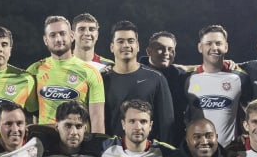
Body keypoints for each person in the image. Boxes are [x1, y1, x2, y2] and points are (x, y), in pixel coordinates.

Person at [99, 20, 173, 149]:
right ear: (112, 47)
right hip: (112, 155)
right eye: (120, 41)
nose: (126, 45)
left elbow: (166, 124)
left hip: (147, 156)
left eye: (130, 41)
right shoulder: (101, 80)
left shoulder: (156, 78)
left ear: (138, 46)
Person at [27, 15, 105, 133]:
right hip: (46, 143)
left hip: (78, 142)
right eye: (53, 35)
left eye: (62, 33)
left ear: (72, 36)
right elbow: (31, 110)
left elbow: (97, 122)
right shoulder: (35, 70)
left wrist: (95, 147)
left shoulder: (90, 72)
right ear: (45, 40)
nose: (58, 39)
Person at [180, 25, 252, 148]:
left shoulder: (240, 78)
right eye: (209, 43)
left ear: (226, 47)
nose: (214, 48)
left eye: (218, 43)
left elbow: (251, 116)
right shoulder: (187, 79)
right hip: (197, 151)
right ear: (200, 47)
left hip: (229, 152)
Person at [143, 30, 188, 147]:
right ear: (149, 51)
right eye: (161, 48)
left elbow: (204, 68)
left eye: (170, 49)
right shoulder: (136, 73)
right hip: (143, 143)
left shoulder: (180, 76)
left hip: (174, 144)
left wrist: (225, 64)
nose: (166, 53)